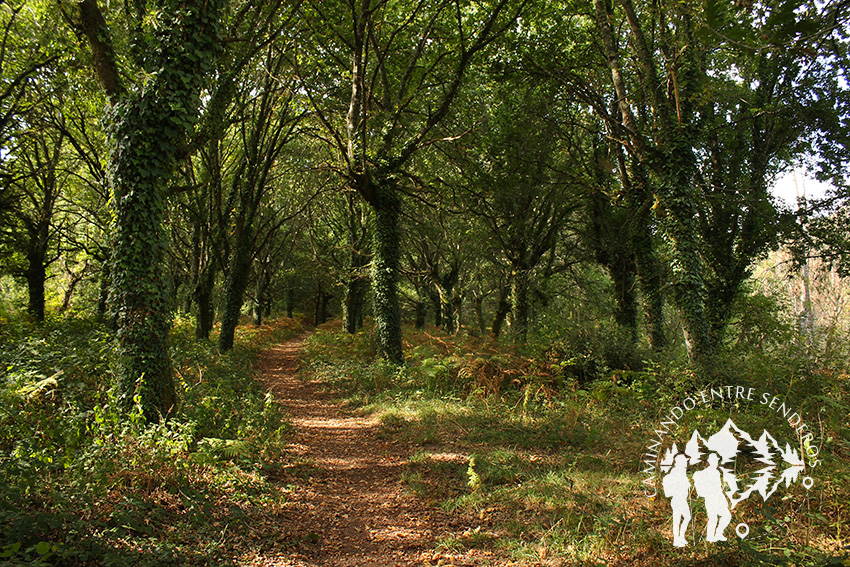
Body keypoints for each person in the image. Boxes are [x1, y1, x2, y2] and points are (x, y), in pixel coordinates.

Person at [693, 452, 732, 542]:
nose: (715, 463)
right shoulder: (706, 473)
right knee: (713, 518)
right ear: (710, 461)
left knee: (726, 516)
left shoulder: (717, 472)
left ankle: (718, 533)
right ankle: (710, 537)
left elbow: (717, 487)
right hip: (710, 498)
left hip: (718, 498)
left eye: (716, 461)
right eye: (713, 461)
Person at [662, 453, 692, 547]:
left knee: (686, 517)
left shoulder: (681, 472)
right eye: (684, 462)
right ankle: (676, 540)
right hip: (677, 499)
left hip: (682, 499)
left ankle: (681, 537)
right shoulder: (675, 472)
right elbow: (672, 487)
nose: (686, 463)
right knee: (678, 519)